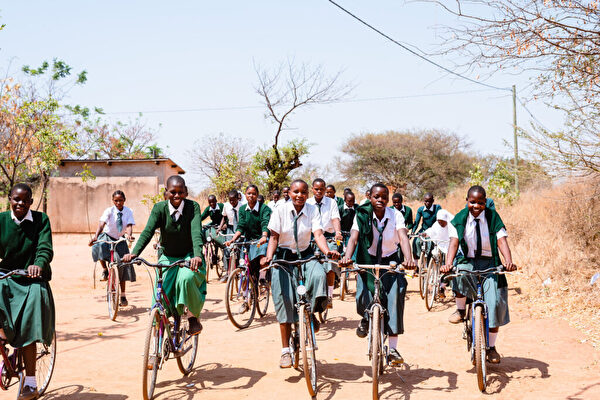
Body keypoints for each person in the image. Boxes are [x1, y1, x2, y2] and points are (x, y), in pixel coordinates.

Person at [263, 179, 340, 368]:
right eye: (295, 192)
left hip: (305, 254)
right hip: (283, 256)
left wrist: (326, 251)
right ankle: (285, 351)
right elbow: (273, 237)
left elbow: (319, 235)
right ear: (289, 193)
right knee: (283, 298)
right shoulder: (280, 210)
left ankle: (311, 312)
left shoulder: (312, 210)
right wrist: (268, 256)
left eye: (303, 192)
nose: (299, 195)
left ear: (308, 194)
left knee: (319, 275)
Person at [441, 185, 517, 364]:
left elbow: (501, 240)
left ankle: (491, 347)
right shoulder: (459, 219)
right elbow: (454, 242)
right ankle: (460, 310)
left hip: (490, 261)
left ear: (485, 203)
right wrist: (448, 264)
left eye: (480, 203)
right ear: (467, 201)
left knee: (496, 301)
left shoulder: (492, 217)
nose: (476, 206)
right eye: (472, 202)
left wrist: (508, 261)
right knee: (458, 274)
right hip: (468, 259)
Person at [341, 183, 415, 365]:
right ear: (370, 197)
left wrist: (409, 258)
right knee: (362, 295)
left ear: (388, 199)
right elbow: (353, 237)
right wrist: (347, 257)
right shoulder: (361, 215)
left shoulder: (396, 215)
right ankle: (366, 318)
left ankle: (393, 348)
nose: (380, 200)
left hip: (390, 259)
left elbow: (403, 237)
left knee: (395, 296)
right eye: (376, 197)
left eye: (384, 197)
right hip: (367, 258)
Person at [122, 175, 205, 336]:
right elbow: (148, 231)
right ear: (166, 192)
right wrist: (134, 253)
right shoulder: (159, 208)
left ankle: (192, 317)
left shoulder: (192, 207)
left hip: (188, 256)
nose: (177, 196)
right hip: (168, 256)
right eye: (173, 192)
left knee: (186, 279)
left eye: (180, 192)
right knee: (160, 293)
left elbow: (196, 232)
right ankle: (157, 340)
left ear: (186, 193)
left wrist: (197, 255)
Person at [0, 183, 54, 400]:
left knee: (31, 320)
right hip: (6, 275)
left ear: (31, 202)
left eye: (25, 200)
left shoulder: (41, 220)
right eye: (16, 199)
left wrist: (38, 264)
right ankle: (5, 335)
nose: (20, 203)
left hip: (32, 277)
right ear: (10, 200)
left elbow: (45, 247)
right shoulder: (2, 220)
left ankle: (30, 382)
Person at [89, 190, 136, 306]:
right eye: (116, 200)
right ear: (113, 201)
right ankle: (105, 269)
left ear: (124, 200)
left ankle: (123, 295)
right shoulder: (109, 211)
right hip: (108, 236)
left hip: (120, 239)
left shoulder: (128, 211)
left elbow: (129, 225)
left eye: (120, 200)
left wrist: (129, 235)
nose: (118, 203)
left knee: (124, 264)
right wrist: (96, 236)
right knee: (98, 246)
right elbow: (102, 224)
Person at [225, 185, 271, 289]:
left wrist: (264, 236)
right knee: (245, 267)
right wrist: (232, 240)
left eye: (254, 194)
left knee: (262, 260)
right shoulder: (242, 209)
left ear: (257, 195)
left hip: (260, 240)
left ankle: (262, 278)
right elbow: (240, 227)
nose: (251, 196)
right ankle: (246, 298)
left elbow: (265, 223)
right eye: (249, 193)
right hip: (248, 241)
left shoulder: (264, 209)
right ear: (245, 195)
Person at [307, 178, 343, 308]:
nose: (319, 192)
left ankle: (329, 296)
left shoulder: (331, 202)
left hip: (328, 237)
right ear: (312, 189)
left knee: (330, 264)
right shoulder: (308, 202)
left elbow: (335, 219)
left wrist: (337, 232)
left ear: (325, 190)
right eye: (316, 189)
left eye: (321, 189)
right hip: (311, 237)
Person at [421, 209, 454, 298]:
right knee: (436, 256)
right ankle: (435, 276)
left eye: (442, 222)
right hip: (440, 244)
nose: (440, 224)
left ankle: (444, 285)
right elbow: (432, 230)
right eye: (439, 222)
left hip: (450, 245)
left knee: (448, 265)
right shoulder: (437, 224)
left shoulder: (452, 224)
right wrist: (425, 233)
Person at [411, 193, 442, 264]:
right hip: (424, 229)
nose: (427, 203)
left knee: (430, 243)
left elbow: (439, 220)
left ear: (433, 201)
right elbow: (416, 222)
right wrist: (413, 232)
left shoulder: (437, 208)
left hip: (434, 229)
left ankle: (429, 264)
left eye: (429, 201)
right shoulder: (421, 209)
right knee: (415, 242)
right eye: (426, 201)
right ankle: (416, 264)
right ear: (423, 201)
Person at [220, 190, 242, 280]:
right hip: (230, 228)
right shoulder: (226, 205)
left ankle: (240, 271)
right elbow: (224, 217)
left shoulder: (243, 206)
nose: (232, 202)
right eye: (230, 200)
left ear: (238, 198)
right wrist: (220, 227)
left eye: (234, 200)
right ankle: (228, 272)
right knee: (228, 248)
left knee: (240, 249)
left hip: (240, 228)